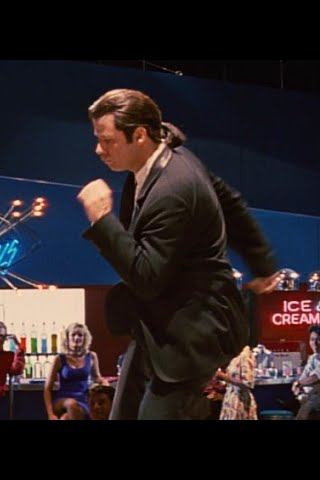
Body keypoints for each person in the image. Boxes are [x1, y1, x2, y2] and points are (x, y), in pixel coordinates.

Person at [77, 88, 279, 420]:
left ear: (140, 135)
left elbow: (147, 278)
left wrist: (102, 220)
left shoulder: (173, 189)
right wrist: (262, 264)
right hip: (156, 327)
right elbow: (230, 204)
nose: (99, 149)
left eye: (108, 140)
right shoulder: (169, 158)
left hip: (190, 336)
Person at [44, 323, 109, 420]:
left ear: (85, 338)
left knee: (66, 418)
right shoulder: (59, 359)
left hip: (83, 398)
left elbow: (97, 377)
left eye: (80, 335)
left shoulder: (91, 356)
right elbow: (47, 388)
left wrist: (104, 383)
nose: (76, 338)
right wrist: (50, 414)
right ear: (67, 338)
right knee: (71, 404)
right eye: (73, 335)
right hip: (62, 400)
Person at [217, 346, 257, 420]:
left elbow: (247, 383)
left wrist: (222, 375)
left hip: (239, 400)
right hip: (231, 399)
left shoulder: (245, 355)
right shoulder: (236, 356)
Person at [292, 325, 320, 420]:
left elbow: (315, 377)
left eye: (318, 340)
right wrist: (298, 388)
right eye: (312, 340)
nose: (315, 343)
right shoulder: (313, 358)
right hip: (312, 397)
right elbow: (304, 377)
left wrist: (299, 383)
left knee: (305, 411)